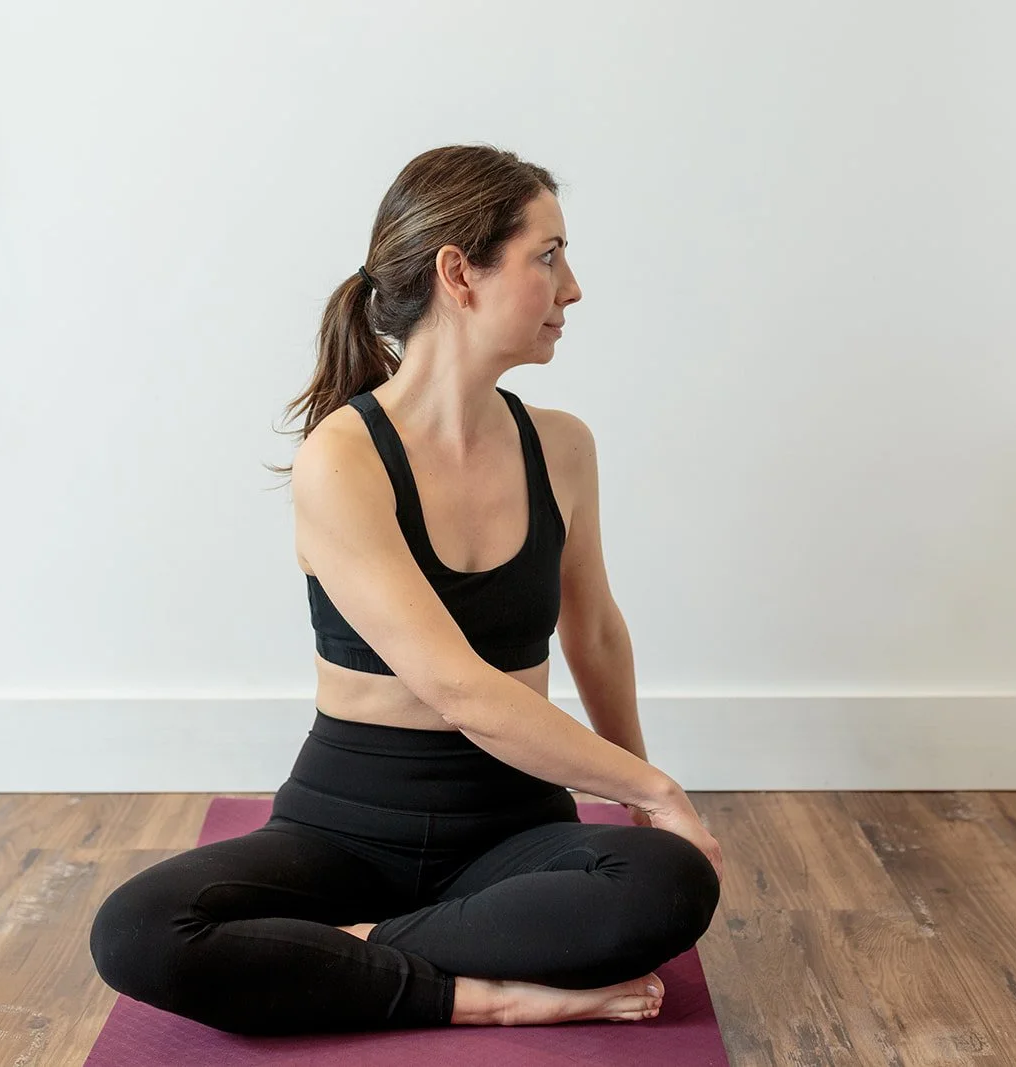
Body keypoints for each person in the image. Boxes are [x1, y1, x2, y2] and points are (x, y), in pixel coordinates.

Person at [88, 144, 724, 1037]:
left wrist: (632, 813)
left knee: (669, 884)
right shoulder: (343, 457)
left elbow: (598, 634)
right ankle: (483, 993)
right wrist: (657, 789)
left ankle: (334, 952)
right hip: (342, 826)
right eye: (549, 255)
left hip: (513, 826)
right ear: (458, 274)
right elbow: (460, 687)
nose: (572, 287)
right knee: (138, 932)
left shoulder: (563, 446)